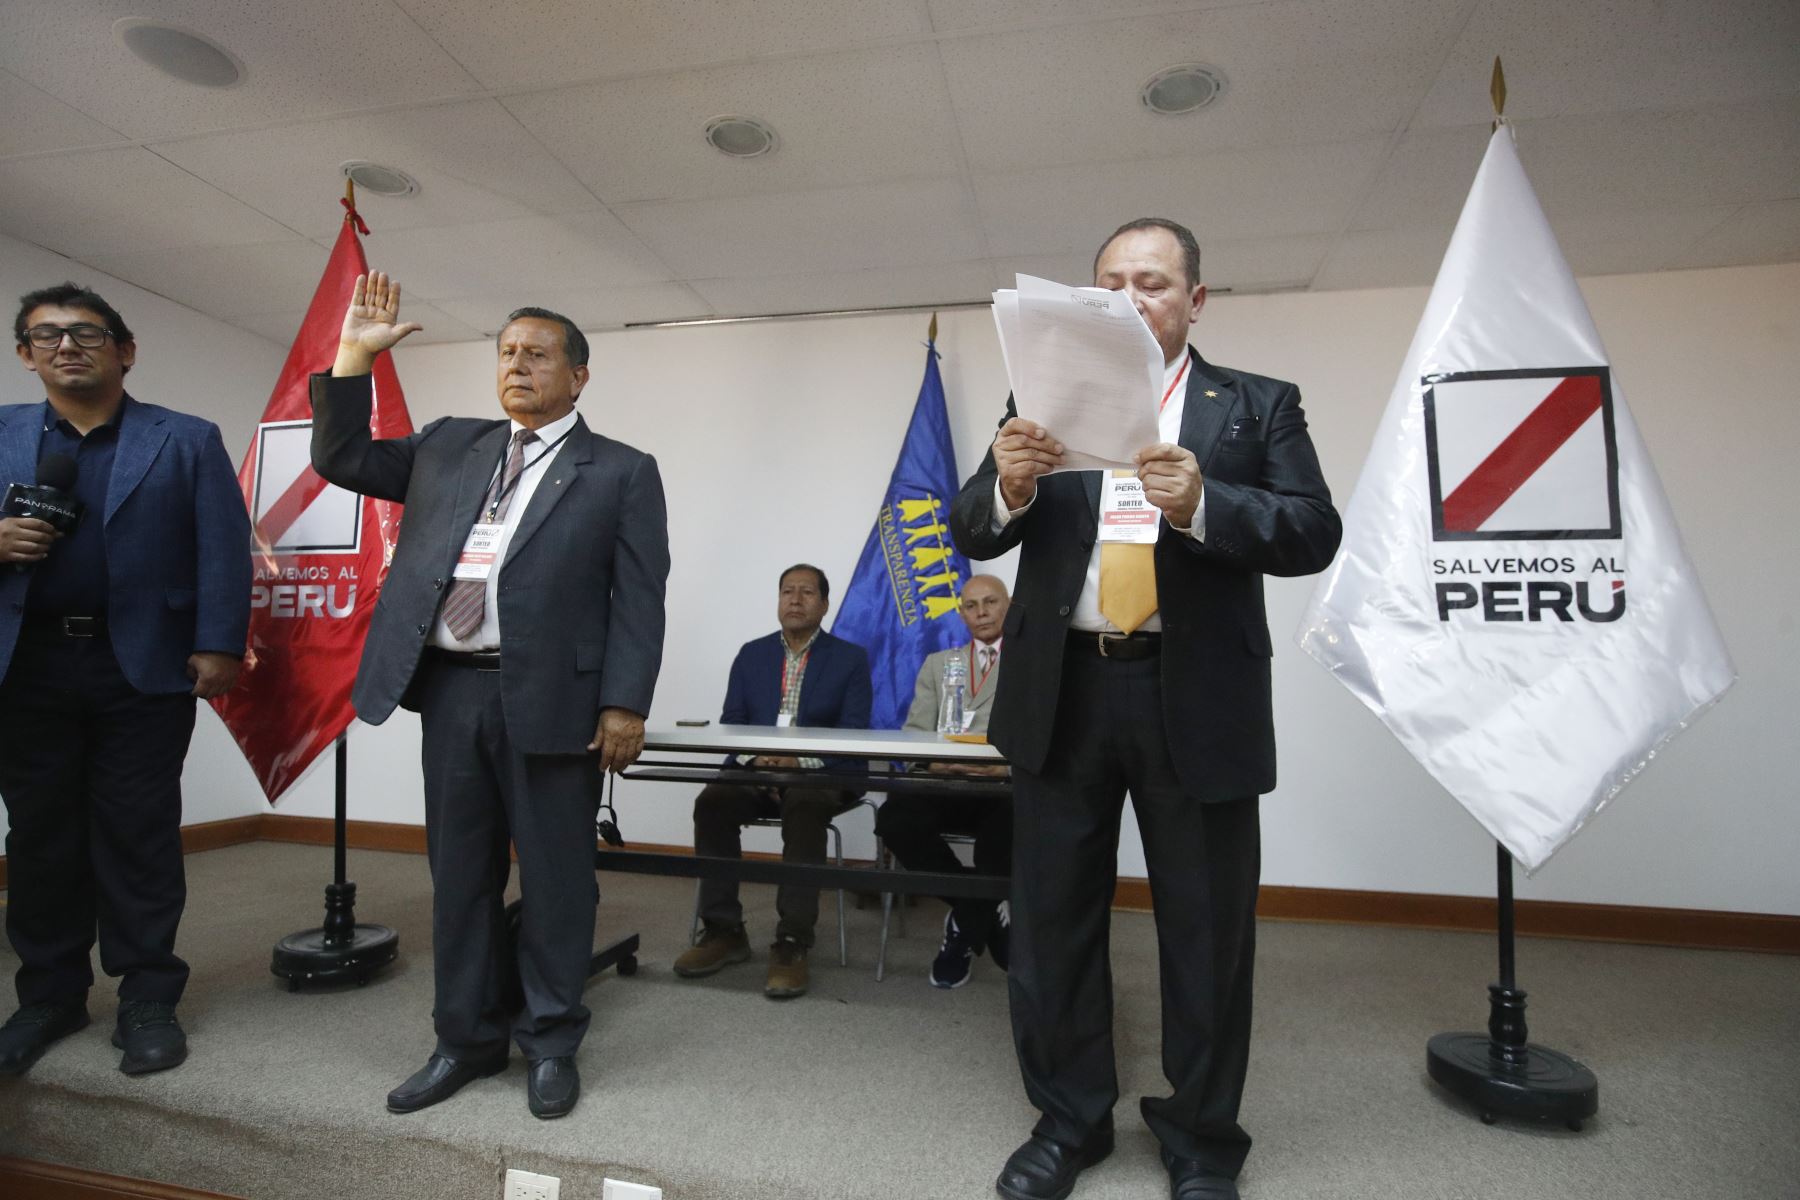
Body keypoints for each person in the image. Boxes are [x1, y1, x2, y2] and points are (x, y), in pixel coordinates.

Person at [950, 219, 1342, 1200]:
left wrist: (1206, 503)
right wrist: (1009, 485)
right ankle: (1069, 1120)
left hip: (1195, 694)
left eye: (1154, 283)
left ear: (1195, 300)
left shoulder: (1255, 405)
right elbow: (972, 528)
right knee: (1052, 924)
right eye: (1113, 283)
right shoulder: (1038, 402)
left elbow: (1312, 531)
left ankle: (1201, 1139)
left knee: (1207, 932)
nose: (1132, 298)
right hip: (1063, 691)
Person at [310, 272, 669, 1120]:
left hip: (556, 703)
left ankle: (551, 1041)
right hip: (453, 694)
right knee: (460, 878)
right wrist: (355, 354)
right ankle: (464, 1039)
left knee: (557, 881)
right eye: (507, 353)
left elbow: (640, 597)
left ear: (578, 375)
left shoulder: (620, 471)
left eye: (538, 355)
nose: (517, 366)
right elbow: (339, 458)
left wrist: (625, 704)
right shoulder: (449, 444)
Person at [0, 283, 250, 1078]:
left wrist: (220, 644)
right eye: (46, 335)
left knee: (138, 832)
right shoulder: (1, 433)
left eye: (86, 333)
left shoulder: (185, 438)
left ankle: (147, 996)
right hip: (25, 665)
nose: (66, 346)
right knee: (39, 835)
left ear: (125, 350)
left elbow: (222, 547)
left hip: (141, 665)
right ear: (25, 354)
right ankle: (50, 994)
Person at [673, 564, 871, 999]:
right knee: (713, 802)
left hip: (822, 773)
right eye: (787, 591)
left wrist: (800, 761)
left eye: (806, 592)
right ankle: (724, 930)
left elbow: (855, 732)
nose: (795, 600)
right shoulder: (752, 654)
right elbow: (733, 722)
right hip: (758, 771)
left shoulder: (850, 659)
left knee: (804, 803)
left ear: (824, 603)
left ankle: (793, 939)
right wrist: (757, 757)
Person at [875, 573, 1014, 988]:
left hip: (1000, 786)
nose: (981, 612)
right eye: (971, 605)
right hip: (944, 780)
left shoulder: (1032, 664)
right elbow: (915, 734)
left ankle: (963, 930)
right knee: (894, 819)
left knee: (1008, 830)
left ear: (1009, 606)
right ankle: (980, 911)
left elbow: (1047, 736)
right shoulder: (939, 663)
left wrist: (1005, 769)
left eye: (990, 602)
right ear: (962, 614)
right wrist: (935, 765)